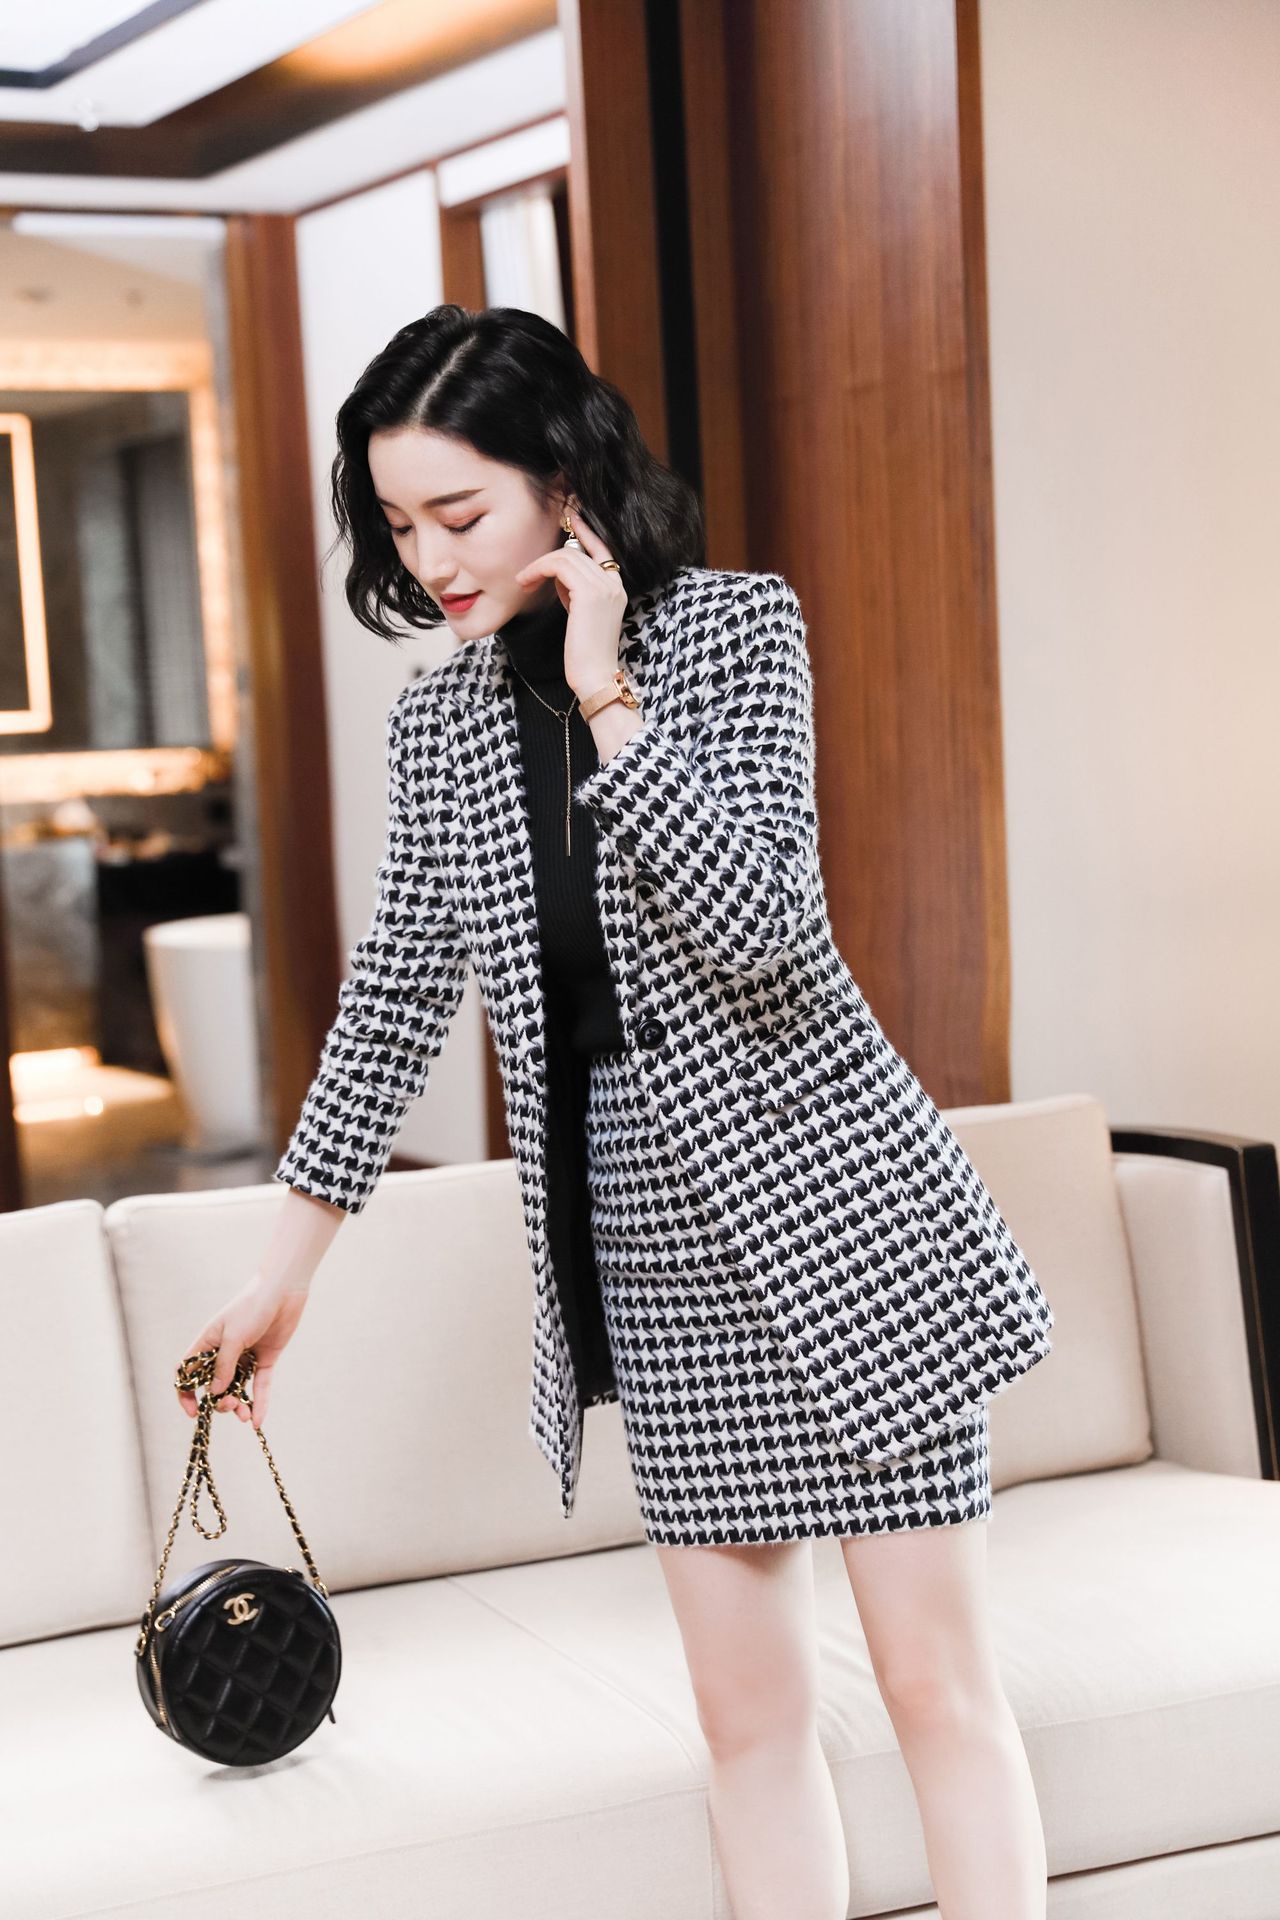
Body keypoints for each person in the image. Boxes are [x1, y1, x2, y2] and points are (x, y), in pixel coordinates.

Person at [178, 304, 1052, 1919]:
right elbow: (391, 1006)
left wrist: (604, 694)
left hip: (849, 1226)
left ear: (564, 480)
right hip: (651, 1261)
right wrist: (281, 1274)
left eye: (461, 513)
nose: (431, 560)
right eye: (399, 525)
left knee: (938, 1692)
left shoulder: (736, 632)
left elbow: (768, 926)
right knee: (748, 1725)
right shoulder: (438, 724)